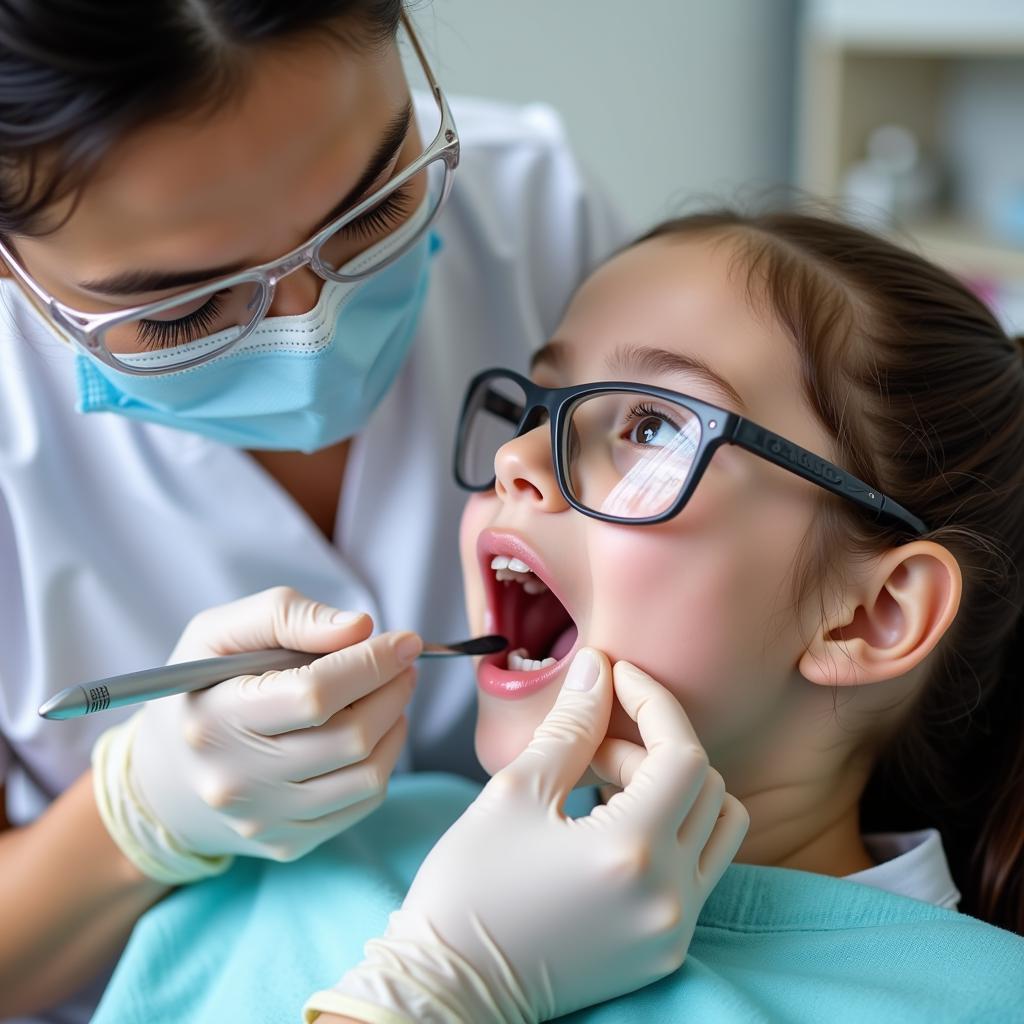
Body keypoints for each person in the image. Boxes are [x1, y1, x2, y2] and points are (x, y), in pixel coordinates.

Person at [90, 208, 1024, 1023]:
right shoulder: (320, 857)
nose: (519, 459)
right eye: (536, 407)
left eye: (651, 424)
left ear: (871, 615)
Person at [0, 3, 626, 1020]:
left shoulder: (536, 212)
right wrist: (136, 819)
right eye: (181, 311)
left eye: (374, 209)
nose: (313, 329)